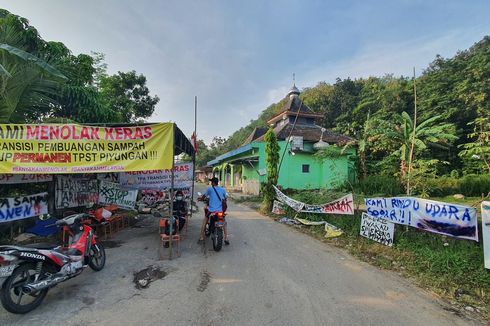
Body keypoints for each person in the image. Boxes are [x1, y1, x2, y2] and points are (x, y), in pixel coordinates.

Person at [198, 177, 229, 245]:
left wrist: (200, 198)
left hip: (211, 210)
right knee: (223, 222)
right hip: (220, 211)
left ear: (213, 183)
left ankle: (201, 236)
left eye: (211, 182)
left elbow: (204, 196)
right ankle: (226, 238)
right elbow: (225, 197)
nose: (211, 183)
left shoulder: (210, 189)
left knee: (205, 220)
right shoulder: (222, 189)